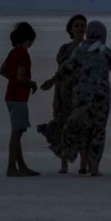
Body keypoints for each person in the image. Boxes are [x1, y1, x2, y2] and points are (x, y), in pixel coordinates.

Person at [60, 21, 111, 177]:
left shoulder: (80, 51)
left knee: (83, 129)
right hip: (101, 99)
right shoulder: (108, 52)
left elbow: (67, 70)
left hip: (81, 98)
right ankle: (94, 167)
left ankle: (79, 160)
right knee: (98, 131)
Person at [37, 14, 89, 174]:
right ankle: (64, 164)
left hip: (83, 94)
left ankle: (83, 164)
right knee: (63, 127)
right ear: (70, 29)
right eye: (77, 25)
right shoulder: (64, 49)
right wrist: (56, 97)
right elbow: (60, 73)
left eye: (82, 25)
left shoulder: (90, 48)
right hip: (65, 94)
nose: (80, 28)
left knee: (83, 128)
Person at [0, 22, 40, 177]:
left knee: (18, 131)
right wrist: (32, 84)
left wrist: (13, 80)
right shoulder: (23, 54)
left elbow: (3, 71)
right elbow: (21, 77)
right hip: (18, 98)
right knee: (16, 133)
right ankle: (11, 167)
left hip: (11, 96)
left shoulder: (13, 52)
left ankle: (21, 166)